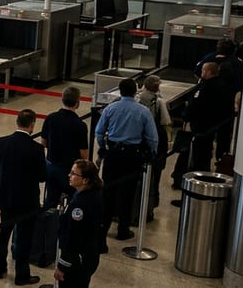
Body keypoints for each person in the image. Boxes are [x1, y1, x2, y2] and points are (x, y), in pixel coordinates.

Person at [48, 159, 104, 288]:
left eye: (74, 174)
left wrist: (63, 266)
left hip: (76, 262)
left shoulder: (80, 204)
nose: (70, 176)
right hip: (87, 258)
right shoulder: (91, 196)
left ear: (86, 180)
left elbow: (73, 238)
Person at [94, 78, 157, 249]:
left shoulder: (111, 108)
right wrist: (152, 152)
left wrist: (103, 147)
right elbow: (152, 137)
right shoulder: (143, 111)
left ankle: (102, 234)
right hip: (132, 156)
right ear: (135, 91)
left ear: (120, 92)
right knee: (127, 194)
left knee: (108, 193)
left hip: (113, 155)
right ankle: (123, 228)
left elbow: (99, 131)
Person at [0, 109, 47, 285]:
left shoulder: (1, 142)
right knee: (24, 239)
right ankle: (22, 274)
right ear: (32, 125)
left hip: (5, 198)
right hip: (27, 201)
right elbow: (42, 176)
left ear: (17, 122)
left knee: (2, 236)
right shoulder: (37, 149)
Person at [40, 86, 90, 209]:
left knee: (50, 202)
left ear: (62, 99)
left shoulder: (51, 118)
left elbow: (43, 143)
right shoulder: (80, 125)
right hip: (70, 171)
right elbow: (84, 154)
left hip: (51, 167)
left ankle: (47, 225)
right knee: (74, 202)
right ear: (77, 103)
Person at [186, 62, 235, 174]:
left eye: (203, 70)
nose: (201, 72)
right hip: (215, 125)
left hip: (203, 126)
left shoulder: (206, 87)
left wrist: (188, 116)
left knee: (200, 151)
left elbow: (196, 104)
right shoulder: (224, 86)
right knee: (206, 150)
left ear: (208, 72)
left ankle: (199, 172)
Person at [136, 75, 170, 221]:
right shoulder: (159, 102)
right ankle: (149, 207)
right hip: (155, 141)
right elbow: (165, 121)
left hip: (138, 140)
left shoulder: (137, 99)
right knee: (154, 176)